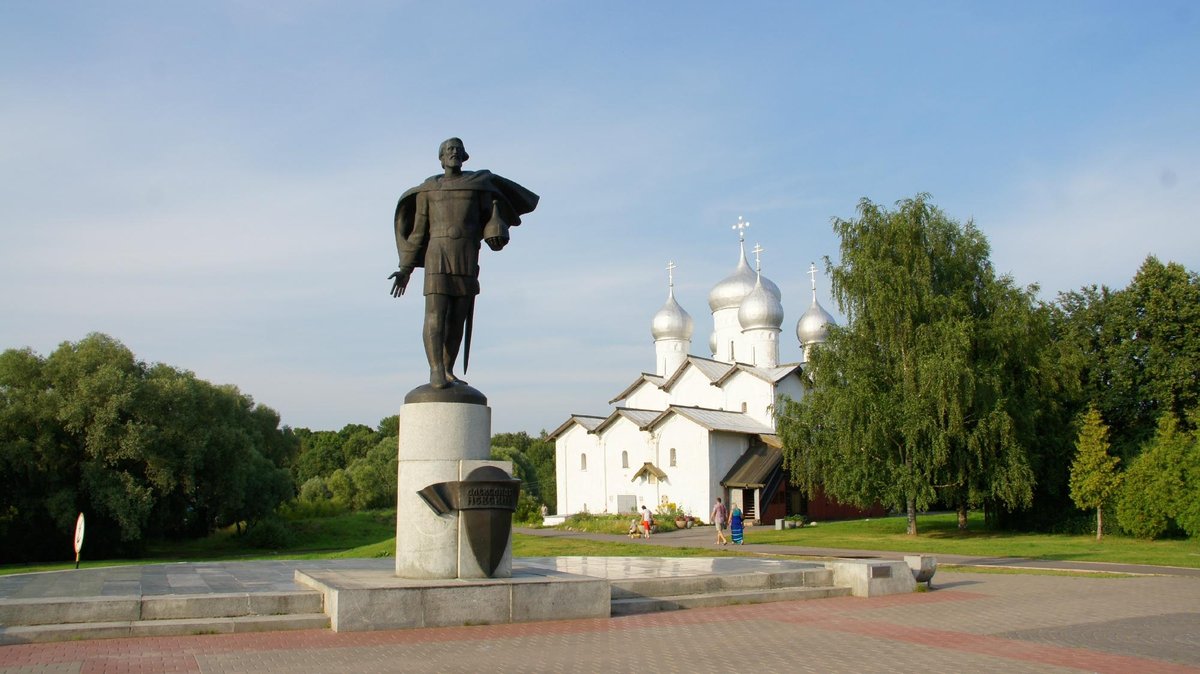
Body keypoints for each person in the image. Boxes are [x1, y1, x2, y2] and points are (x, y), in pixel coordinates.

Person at [390, 138, 539, 389]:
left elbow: (490, 224)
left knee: (458, 316)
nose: (454, 154)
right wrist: (405, 269)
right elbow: (418, 232)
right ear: (440, 157)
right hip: (437, 254)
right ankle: (436, 370)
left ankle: (448, 369)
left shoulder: (478, 185)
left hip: (467, 254)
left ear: (464, 155)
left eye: (458, 150)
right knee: (436, 314)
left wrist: (496, 226)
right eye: (449, 150)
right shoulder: (429, 189)